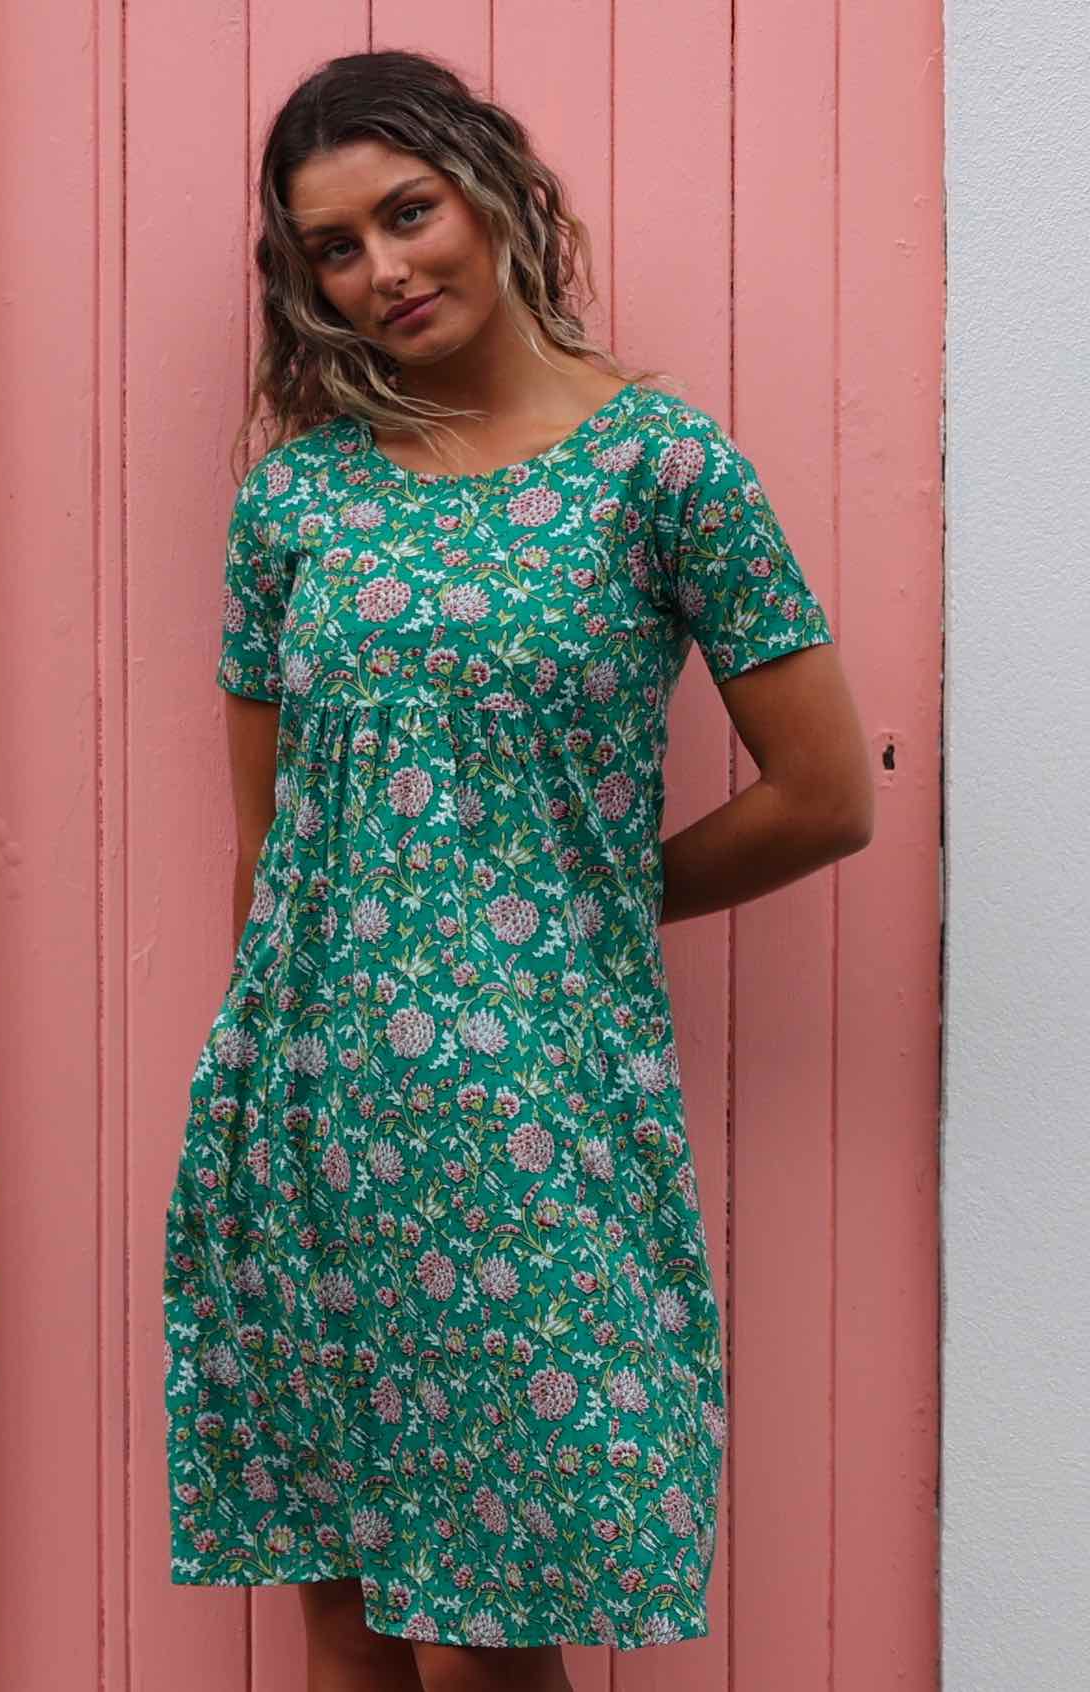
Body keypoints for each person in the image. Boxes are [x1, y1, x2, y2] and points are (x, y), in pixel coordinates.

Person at [162, 46, 874, 1692]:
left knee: (489, 1635)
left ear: (492, 185)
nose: (383, 270)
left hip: (536, 1125)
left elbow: (828, 795)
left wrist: (570, 909)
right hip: (306, 1109)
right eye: (333, 246)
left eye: (406, 212)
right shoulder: (298, 507)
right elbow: (284, 855)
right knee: (342, 1605)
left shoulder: (665, 471)